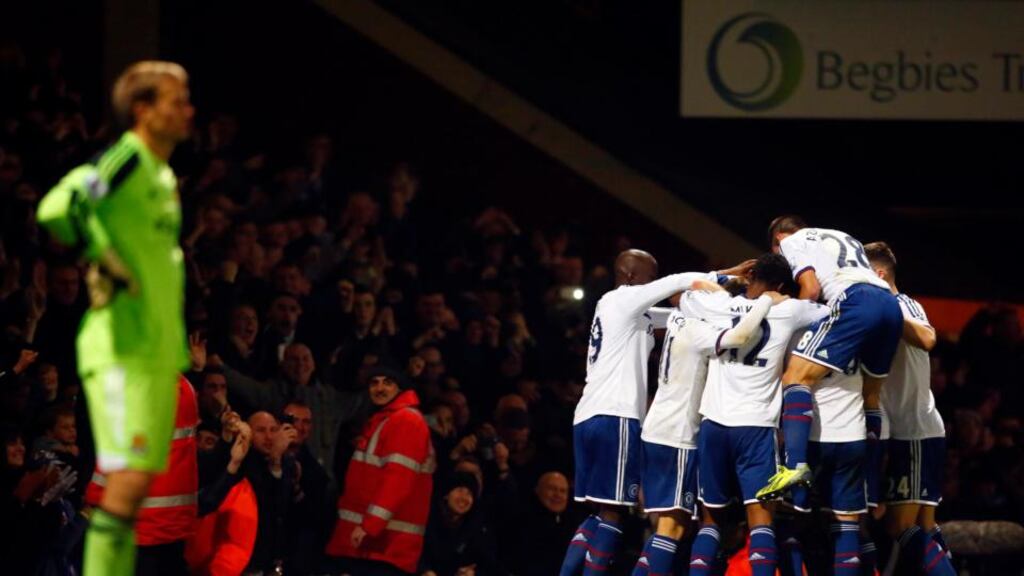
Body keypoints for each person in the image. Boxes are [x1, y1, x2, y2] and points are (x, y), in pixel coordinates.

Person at [36, 60, 194, 576]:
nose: (187, 109)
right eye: (176, 100)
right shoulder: (124, 159)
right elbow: (60, 208)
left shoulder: (158, 172)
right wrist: (109, 260)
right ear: (144, 110)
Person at [561, 249, 750, 575]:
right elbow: (677, 284)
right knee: (614, 515)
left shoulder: (627, 313)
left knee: (598, 512)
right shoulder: (622, 299)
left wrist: (718, 285)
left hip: (588, 414)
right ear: (632, 276)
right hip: (614, 416)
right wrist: (722, 277)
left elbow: (680, 310)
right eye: (651, 278)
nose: (655, 286)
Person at [680, 254, 828, 576]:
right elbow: (830, 312)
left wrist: (729, 273)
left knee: (711, 519)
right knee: (761, 519)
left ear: (750, 277)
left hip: (714, 424)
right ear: (778, 285)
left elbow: (688, 292)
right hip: (756, 428)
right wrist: (789, 295)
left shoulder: (719, 305)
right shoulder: (789, 310)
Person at [633, 289, 783, 575]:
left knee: (666, 526)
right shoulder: (701, 330)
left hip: (658, 427)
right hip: (677, 434)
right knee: (671, 527)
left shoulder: (679, 318)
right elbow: (740, 337)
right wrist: (766, 300)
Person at [759, 216, 903, 502]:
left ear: (778, 240)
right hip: (889, 304)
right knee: (870, 396)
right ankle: (870, 478)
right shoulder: (840, 233)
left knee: (795, 377)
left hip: (855, 301)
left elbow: (811, 289)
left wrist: (795, 319)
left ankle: (795, 466)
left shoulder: (792, 241)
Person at [865, 242, 956, 576]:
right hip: (906, 432)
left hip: (914, 430)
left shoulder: (903, 305)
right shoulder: (873, 311)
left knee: (901, 528)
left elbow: (928, 339)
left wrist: (888, 310)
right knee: (923, 527)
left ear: (878, 274)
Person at [325, 366, 434, 575]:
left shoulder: (405, 421)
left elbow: (398, 480)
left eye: (387, 382)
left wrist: (370, 525)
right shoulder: (386, 420)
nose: (380, 388)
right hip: (374, 546)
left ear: (399, 388)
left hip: (385, 546)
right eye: (374, 382)